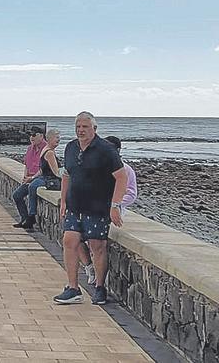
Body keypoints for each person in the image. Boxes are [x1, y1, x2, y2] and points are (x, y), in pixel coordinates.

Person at [55, 112, 130, 306]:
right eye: (78, 127)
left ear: (94, 129)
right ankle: (72, 288)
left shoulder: (106, 150)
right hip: (74, 206)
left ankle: (99, 287)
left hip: (97, 208)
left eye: (85, 127)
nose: (81, 130)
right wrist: (63, 200)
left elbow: (122, 178)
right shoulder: (71, 148)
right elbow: (66, 175)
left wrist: (115, 205)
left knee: (97, 246)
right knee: (69, 241)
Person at [12, 128, 60, 232]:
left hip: (39, 178)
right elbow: (26, 164)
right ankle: (25, 219)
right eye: (30, 135)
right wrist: (25, 177)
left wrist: (32, 178)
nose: (31, 137)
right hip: (30, 178)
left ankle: (31, 217)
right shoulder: (30, 148)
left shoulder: (47, 149)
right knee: (17, 195)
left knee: (32, 187)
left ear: (42, 136)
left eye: (34, 135)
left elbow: (43, 169)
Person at [106, 136, 139, 215]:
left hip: (113, 211)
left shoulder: (126, 170)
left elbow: (131, 194)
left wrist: (114, 204)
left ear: (117, 150)